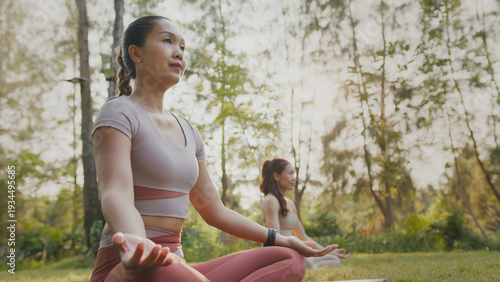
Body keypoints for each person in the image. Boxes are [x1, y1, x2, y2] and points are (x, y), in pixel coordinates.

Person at [89, 16, 339, 282]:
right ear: (135, 53)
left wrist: (280, 240)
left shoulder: (189, 131)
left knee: (286, 259)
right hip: (130, 266)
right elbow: (115, 191)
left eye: (183, 47)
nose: (178, 52)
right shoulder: (118, 111)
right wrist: (137, 245)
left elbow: (214, 210)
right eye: (167, 41)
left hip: (176, 267)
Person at [260, 158, 351, 269]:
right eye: (290, 173)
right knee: (312, 264)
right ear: (277, 176)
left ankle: (309, 266)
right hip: (283, 253)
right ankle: (305, 267)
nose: (294, 178)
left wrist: (326, 251)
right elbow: (276, 239)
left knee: (334, 260)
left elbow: (302, 236)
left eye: (294, 173)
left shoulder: (290, 204)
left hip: (296, 249)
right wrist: (299, 250)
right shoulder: (271, 200)